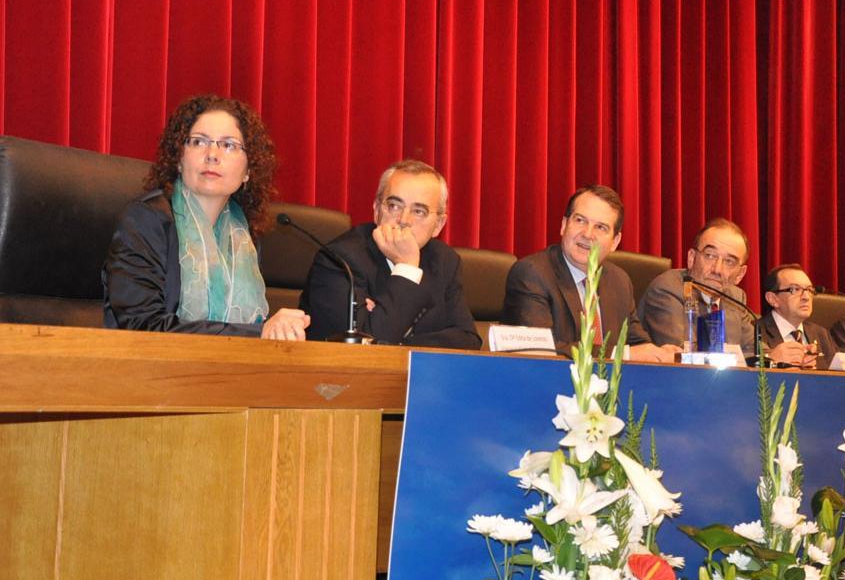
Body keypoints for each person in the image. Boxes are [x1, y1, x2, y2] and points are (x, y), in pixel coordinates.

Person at [102, 94, 310, 339]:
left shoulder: (242, 236)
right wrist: (257, 333)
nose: (212, 154)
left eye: (229, 145)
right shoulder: (145, 221)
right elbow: (144, 327)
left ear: (248, 171)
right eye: (199, 142)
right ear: (179, 159)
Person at [299, 160, 481, 348]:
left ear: (439, 225)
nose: (403, 220)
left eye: (419, 211)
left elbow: (468, 340)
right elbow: (358, 352)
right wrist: (407, 268)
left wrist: (396, 342)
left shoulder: (444, 261)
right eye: (394, 206)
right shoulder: (340, 259)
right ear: (377, 210)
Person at [503, 185, 676, 362]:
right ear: (564, 225)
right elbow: (539, 353)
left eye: (601, 227)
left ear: (615, 241)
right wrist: (622, 354)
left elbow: (636, 342)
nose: (588, 234)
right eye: (580, 220)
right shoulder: (532, 274)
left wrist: (660, 353)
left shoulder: (619, 281)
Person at [637, 218, 757, 356]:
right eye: (710, 256)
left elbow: (754, 351)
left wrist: (772, 356)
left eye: (729, 262)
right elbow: (682, 353)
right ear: (691, 258)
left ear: (740, 274)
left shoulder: (735, 297)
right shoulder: (668, 288)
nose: (717, 270)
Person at [756, 264, 836, 369]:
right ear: (773, 299)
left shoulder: (821, 334)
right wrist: (771, 361)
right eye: (795, 289)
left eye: (809, 290)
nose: (806, 297)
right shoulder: (755, 331)